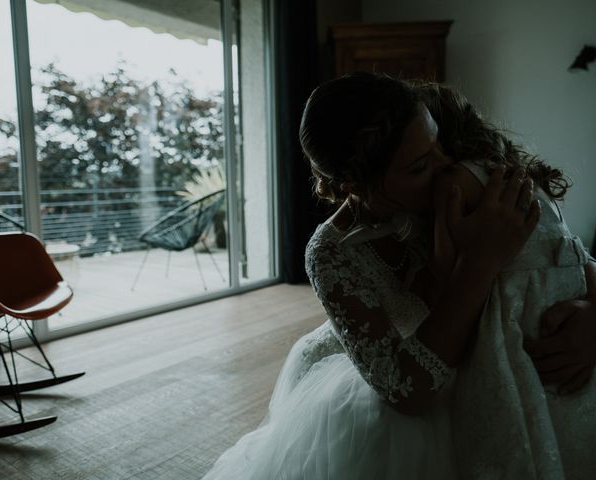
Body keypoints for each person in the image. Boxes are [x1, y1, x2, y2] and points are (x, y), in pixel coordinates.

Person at [201, 73, 596, 479]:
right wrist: (480, 263)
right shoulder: (333, 254)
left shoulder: (455, 165)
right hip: (416, 393)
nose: (445, 165)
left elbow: (563, 252)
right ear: (356, 185)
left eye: (437, 143)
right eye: (421, 166)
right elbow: (405, 392)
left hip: (514, 370)